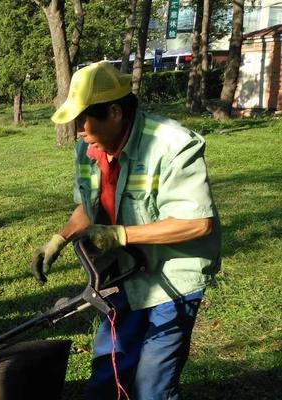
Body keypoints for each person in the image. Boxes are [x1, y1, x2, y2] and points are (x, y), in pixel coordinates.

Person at [30, 61, 221, 400]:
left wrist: (121, 235)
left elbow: (197, 222)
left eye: (82, 120)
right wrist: (60, 239)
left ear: (114, 112)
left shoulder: (173, 145)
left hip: (172, 281)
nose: (77, 131)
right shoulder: (88, 149)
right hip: (124, 277)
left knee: (152, 388)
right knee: (109, 373)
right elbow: (89, 208)